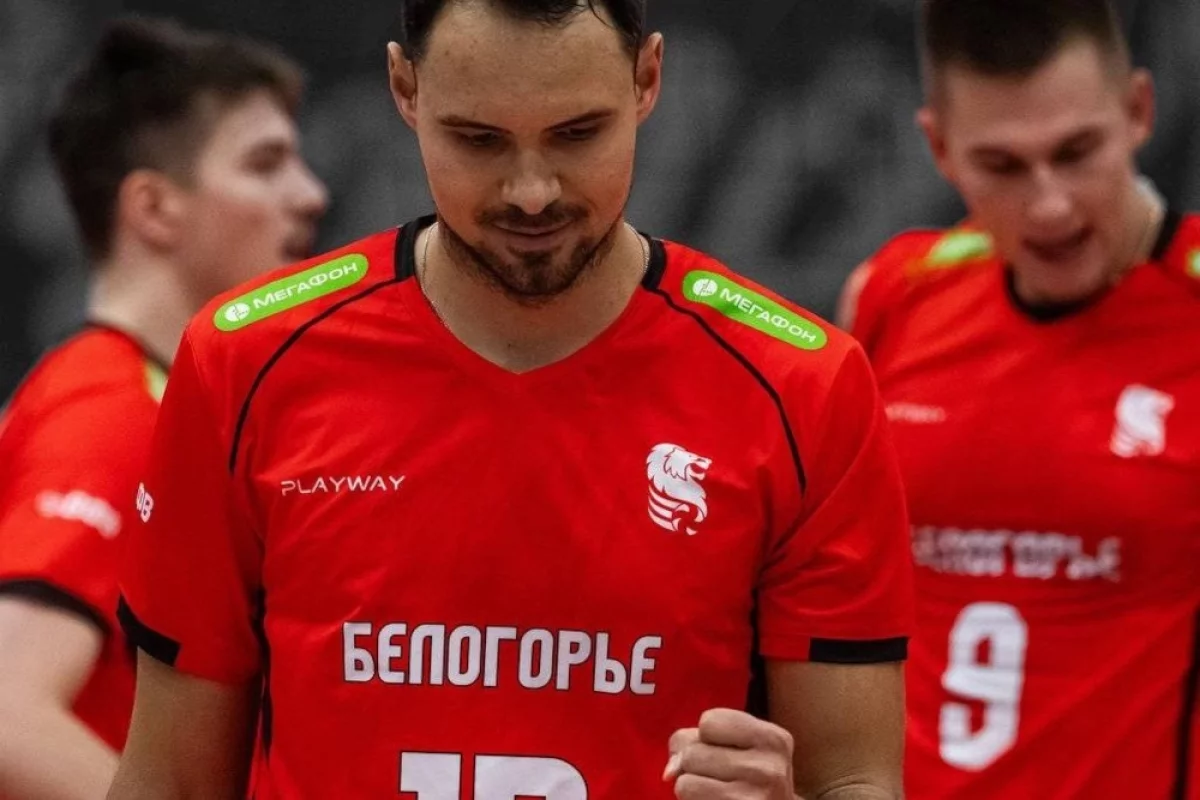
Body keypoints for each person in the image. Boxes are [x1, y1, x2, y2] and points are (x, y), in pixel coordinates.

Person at [109, 2, 913, 798]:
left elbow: (853, 780)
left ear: (647, 79)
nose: (532, 192)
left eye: (577, 134)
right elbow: (169, 782)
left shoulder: (802, 387)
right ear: (405, 88)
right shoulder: (245, 363)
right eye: (479, 140)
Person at [838, 0, 1200, 797]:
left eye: (1077, 152)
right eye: (1002, 166)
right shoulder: (895, 293)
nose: (1050, 205)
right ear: (939, 148)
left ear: (1138, 110)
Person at [0, 17, 327, 800]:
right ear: (153, 207)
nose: (310, 195)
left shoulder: (120, 395)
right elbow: (7, 711)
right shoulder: (116, 415)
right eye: (265, 164)